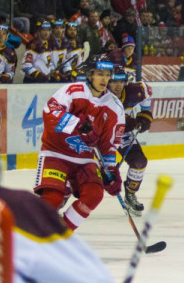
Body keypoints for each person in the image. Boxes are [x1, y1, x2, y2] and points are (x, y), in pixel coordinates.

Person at [34, 55, 125, 231]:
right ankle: (33, 234)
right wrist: (78, 125)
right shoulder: (73, 90)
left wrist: (111, 171)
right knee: (53, 198)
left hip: (84, 159)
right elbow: (50, 112)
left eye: (107, 75)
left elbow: (108, 145)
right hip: (56, 153)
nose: (104, 79)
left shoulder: (115, 106)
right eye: (100, 74)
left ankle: (61, 233)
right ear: (90, 75)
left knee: (94, 194)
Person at [109, 41, 154, 216]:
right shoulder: (101, 96)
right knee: (88, 171)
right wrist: (129, 123)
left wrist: (144, 116)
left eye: (121, 82)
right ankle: (61, 198)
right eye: (114, 82)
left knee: (139, 162)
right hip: (101, 136)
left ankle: (131, 193)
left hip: (123, 134)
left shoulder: (135, 91)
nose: (118, 86)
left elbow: (147, 94)